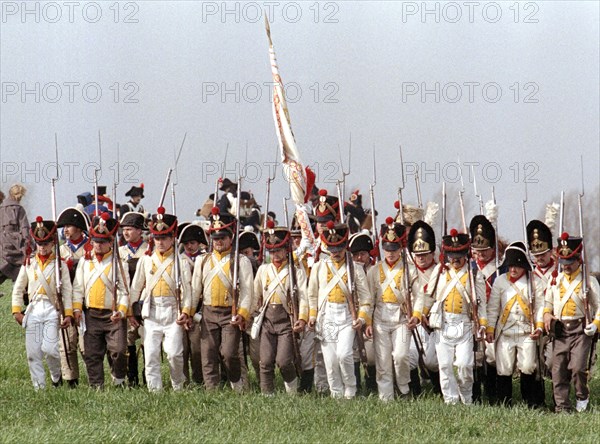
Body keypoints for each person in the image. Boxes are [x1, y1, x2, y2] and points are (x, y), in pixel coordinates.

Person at [129, 207, 193, 391]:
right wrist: (131, 311)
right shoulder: (146, 260)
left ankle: (178, 386)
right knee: (150, 354)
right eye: (157, 238)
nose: (160, 242)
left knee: (174, 354)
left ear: (172, 238)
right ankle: (154, 390)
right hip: (152, 311)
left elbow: (187, 291)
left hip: (173, 311)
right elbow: (135, 288)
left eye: (164, 238)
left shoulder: (181, 261)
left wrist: (186, 311)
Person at [307, 221, 372, 399]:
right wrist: (312, 316)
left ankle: (350, 390)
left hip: (347, 318)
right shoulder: (319, 267)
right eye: (332, 248)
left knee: (344, 355)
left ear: (345, 246)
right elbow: (312, 295)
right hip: (326, 316)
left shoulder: (355, 268)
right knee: (330, 360)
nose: (335, 253)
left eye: (339, 248)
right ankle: (336, 393)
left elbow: (366, 298)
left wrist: (362, 318)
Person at [191, 207, 254, 392]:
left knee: (229, 353)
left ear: (230, 238)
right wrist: (188, 312)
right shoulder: (203, 260)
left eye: (222, 238)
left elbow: (248, 291)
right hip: (209, 312)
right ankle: (212, 390)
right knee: (208, 354)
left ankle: (236, 385)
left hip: (230, 313)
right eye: (215, 238)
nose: (218, 242)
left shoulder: (240, 261)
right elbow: (196, 289)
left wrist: (242, 313)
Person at [425, 229, 487, 405]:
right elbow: (428, 296)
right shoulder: (440, 271)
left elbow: (481, 304)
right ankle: (450, 401)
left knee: (464, 365)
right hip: (443, 324)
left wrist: (483, 324)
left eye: (459, 254)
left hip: (465, 324)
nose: (455, 259)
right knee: (444, 366)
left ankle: (466, 399)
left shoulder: (474, 274)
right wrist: (418, 313)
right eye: (452, 254)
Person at [11, 217, 73, 389]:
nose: (42, 247)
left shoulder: (60, 265)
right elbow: (18, 288)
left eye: (46, 243)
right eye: (39, 243)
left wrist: (68, 313)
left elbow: (67, 291)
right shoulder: (29, 263)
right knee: (33, 354)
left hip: (52, 309)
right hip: (34, 309)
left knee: (51, 350)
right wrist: (16, 310)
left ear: (52, 242)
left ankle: (56, 377)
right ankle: (39, 388)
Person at [543, 232, 600, 413]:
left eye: (570, 262)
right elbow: (548, 303)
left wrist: (596, 323)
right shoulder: (555, 280)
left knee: (577, 368)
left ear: (578, 259)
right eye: (563, 262)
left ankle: (582, 397)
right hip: (560, 329)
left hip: (581, 329)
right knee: (558, 370)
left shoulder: (588, 281)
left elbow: (599, 305)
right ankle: (562, 407)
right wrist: (546, 316)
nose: (566, 266)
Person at [365, 217, 420, 401]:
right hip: (380, 319)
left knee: (401, 356)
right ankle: (385, 396)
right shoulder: (374, 270)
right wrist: (367, 321)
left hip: (402, 319)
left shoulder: (410, 270)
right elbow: (369, 299)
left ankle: (404, 389)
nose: (390, 253)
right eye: (387, 248)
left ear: (401, 247)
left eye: (394, 248)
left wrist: (417, 314)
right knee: (382, 362)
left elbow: (418, 296)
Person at [72, 213, 129, 389]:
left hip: (113, 315)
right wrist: (76, 309)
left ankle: (119, 380)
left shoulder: (119, 262)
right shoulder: (85, 262)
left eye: (103, 242)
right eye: (96, 241)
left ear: (110, 242)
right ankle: (96, 386)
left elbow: (124, 291)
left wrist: (120, 311)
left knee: (118, 351)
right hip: (91, 314)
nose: (98, 245)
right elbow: (78, 288)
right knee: (92, 353)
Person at [486, 242, 545, 408]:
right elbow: (492, 309)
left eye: (517, 266)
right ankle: (505, 403)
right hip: (505, 331)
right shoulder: (500, 282)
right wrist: (490, 328)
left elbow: (540, 306)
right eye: (510, 266)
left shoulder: (534, 282)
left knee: (528, 366)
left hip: (527, 332)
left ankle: (530, 402)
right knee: (503, 368)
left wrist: (539, 326)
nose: (513, 270)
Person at [252, 221, 308, 394]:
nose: (275, 254)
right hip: (267, 320)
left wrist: (302, 318)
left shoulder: (296, 271)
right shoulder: (263, 270)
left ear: (286, 249)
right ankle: (266, 394)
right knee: (265, 361)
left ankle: (292, 392)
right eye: (272, 251)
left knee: (284, 361)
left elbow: (304, 298)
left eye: (278, 250)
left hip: (286, 321)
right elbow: (256, 295)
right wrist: (250, 315)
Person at [56, 206, 90, 387]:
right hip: (66, 303)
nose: (66, 230)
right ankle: (71, 381)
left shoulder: (90, 248)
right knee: (67, 343)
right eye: (64, 227)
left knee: (87, 346)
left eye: (69, 226)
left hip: (86, 303)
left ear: (78, 227)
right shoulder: (60, 251)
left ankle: (94, 379)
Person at [469, 215, 502, 404]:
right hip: (473, 319)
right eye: (477, 250)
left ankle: (493, 395)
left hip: (494, 318)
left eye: (485, 250)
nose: (480, 254)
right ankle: (474, 396)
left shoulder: (500, 268)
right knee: (475, 357)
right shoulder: (469, 269)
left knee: (492, 358)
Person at [407, 220, 441, 395]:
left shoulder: (441, 272)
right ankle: (415, 392)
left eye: (425, 254)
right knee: (409, 356)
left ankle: (438, 389)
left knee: (432, 362)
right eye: (417, 254)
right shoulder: (408, 272)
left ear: (433, 252)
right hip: (412, 321)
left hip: (433, 323)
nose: (421, 257)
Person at [118, 211, 148, 386]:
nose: (126, 233)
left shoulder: (148, 251)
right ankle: (132, 378)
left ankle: (147, 376)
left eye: (129, 229)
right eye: (124, 230)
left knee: (147, 341)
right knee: (127, 340)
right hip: (125, 301)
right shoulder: (120, 252)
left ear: (139, 231)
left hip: (144, 302)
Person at [178, 222, 207, 386]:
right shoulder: (179, 260)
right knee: (181, 349)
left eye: (192, 243)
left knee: (197, 350)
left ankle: (199, 380)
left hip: (198, 310)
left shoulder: (204, 260)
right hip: (181, 309)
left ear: (199, 243)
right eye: (186, 243)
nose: (189, 246)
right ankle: (183, 381)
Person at [348, 231, 377, 394]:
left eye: (363, 254)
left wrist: (369, 322)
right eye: (356, 255)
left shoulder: (374, 271)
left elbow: (374, 300)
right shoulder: (349, 271)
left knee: (371, 355)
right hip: (351, 318)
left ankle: (372, 386)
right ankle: (356, 387)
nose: (359, 258)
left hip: (372, 319)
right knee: (353, 355)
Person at [0, 183, 30, 284]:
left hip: (2, 248)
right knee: (22, 275)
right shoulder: (19, 209)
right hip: (16, 248)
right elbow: (25, 229)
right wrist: (30, 246)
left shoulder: (1, 209)